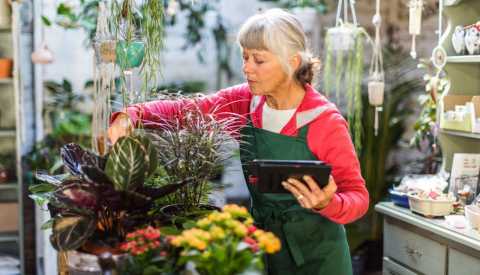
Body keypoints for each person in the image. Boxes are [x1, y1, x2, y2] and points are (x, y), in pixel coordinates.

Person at [108, 8, 368, 275]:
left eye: (259, 60)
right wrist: (132, 115)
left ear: (292, 61)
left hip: (319, 257)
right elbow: (187, 110)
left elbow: (358, 197)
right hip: (265, 247)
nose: (246, 68)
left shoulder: (324, 121)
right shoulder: (246, 102)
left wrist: (328, 203)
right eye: (245, 57)